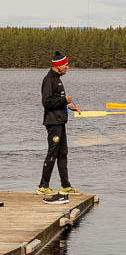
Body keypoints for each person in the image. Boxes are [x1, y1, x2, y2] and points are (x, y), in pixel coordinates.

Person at [38, 51, 83, 201]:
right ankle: (43, 186)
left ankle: (65, 185)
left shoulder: (57, 78)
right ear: (58, 66)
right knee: (52, 153)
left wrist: (68, 106)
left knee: (63, 153)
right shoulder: (49, 80)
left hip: (60, 121)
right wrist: (64, 100)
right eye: (65, 65)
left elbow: (56, 100)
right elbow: (47, 102)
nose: (67, 67)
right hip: (53, 123)